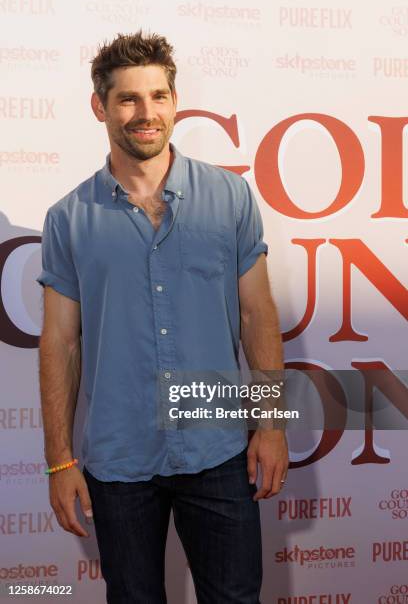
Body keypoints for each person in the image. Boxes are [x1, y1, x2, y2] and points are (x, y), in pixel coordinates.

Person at [36, 30, 289, 604]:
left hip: (219, 450)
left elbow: (257, 314)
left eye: (158, 96)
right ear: (100, 106)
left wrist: (271, 425)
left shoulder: (230, 196)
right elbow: (59, 343)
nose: (146, 113)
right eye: (128, 98)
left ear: (175, 102)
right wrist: (58, 462)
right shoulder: (68, 218)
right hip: (118, 459)